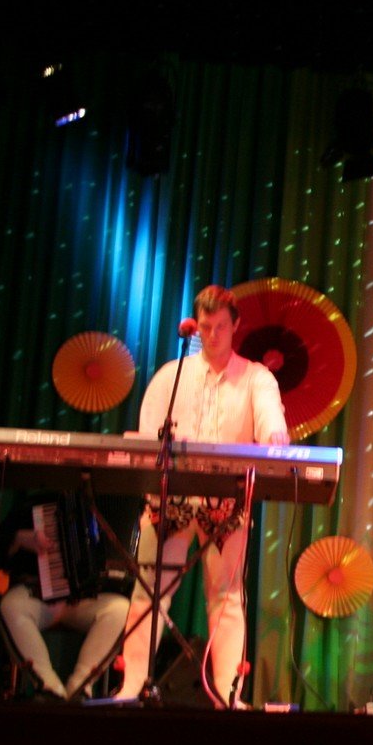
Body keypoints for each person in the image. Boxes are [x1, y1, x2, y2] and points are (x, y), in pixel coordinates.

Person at [114, 284, 290, 707]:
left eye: (220, 327)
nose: (212, 335)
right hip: (170, 497)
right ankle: (131, 686)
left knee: (227, 597)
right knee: (149, 592)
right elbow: (148, 439)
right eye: (206, 327)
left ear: (236, 326)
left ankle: (228, 694)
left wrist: (275, 436)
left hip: (225, 502)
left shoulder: (255, 378)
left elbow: (270, 419)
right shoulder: (171, 376)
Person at [0, 491, 133, 701]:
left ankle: (80, 687)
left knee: (120, 609)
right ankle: (49, 687)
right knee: (11, 605)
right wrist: (20, 538)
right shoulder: (38, 499)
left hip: (86, 599)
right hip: (40, 595)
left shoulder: (110, 500)